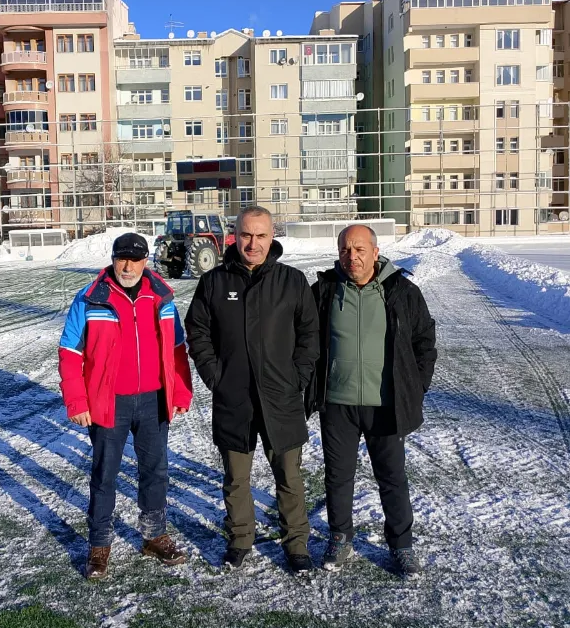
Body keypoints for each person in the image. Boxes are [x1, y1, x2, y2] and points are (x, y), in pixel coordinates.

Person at [185, 206, 320, 573]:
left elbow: (309, 335)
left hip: (281, 398)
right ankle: (240, 539)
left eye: (261, 236)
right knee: (236, 478)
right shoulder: (214, 282)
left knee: (289, 478)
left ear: (271, 237)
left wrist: (297, 378)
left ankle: (296, 544)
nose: (253, 243)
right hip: (235, 398)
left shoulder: (292, 281)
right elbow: (197, 331)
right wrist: (215, 376)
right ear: (235, 235)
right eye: (246, 235)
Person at [58, 232, 193, 580]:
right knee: (105, 474)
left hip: (153, 400)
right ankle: (99, 544)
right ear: (113, 259)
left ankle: (153, 535)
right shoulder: (90, 298)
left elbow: (177, 348)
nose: (128, 266)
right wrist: (77, 400)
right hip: (108, 403)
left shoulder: (162, 297)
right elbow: (70, 353)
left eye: (135, 260)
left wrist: (180, 392)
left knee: (155, 470)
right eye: (122, 259)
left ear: (146, 261)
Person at [308, 224, 437, 578]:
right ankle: (340, 537)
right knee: (338, 476)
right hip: (338, 403)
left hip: (386, 405)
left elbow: (424, 342)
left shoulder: (402, 292)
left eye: (360, 249)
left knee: (392, 477)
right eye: (345, 250)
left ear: (375, 253)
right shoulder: (324, 291)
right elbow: (303, 337)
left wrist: (415, 387)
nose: (352, 257)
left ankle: (401, 544)